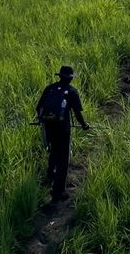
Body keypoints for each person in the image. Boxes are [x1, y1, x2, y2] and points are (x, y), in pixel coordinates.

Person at [36, 65, 90, 202]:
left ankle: (50, 177)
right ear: (70, 78)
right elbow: (77, 113)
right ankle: (59, 192)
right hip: (63, 129)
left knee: (53, 151)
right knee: (63, 160)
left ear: (59, 76)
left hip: (49, 127)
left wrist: (46, 122)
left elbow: (38, 108)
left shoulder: (50, 88)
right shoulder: (71, 91)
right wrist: (84, 125)